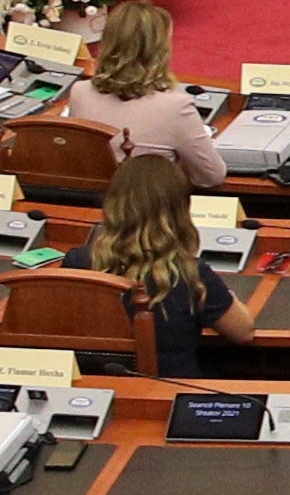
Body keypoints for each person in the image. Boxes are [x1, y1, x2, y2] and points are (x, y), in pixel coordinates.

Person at [83, 147, 232, 362]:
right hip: (176, 388)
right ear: (179, 210)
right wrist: (227, 296)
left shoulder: (78, 262)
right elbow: (242, 332)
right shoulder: (190, 272)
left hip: (99, 387)